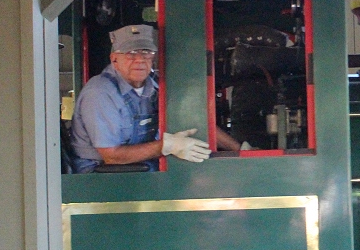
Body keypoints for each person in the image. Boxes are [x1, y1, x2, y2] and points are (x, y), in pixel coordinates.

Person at [69, 24, 239, 173]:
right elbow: (112, 157)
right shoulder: (100, 93)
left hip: (143, 165)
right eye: (131, 53)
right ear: (114, 59)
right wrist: (167, 146)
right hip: (102, 175)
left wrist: (240, 150)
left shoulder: (156, 85)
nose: (140, 60)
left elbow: (194, 122)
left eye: (146, 53)